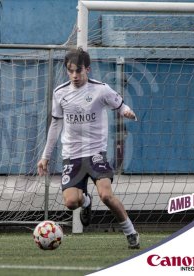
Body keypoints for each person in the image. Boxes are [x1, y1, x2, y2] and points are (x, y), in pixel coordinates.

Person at [37, 48, 140, 249]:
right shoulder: (60, 93)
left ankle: (130, 232)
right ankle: (85, 202)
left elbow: (120, 106)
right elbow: (56, 124)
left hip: (95, 153)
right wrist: (45, 156)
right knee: (71, 202)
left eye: (79, 71)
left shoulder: (101, 90)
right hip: (72, 155)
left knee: (107, 195)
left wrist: (128, 112)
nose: (75, 76)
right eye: (71, 71)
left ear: (88, 69)